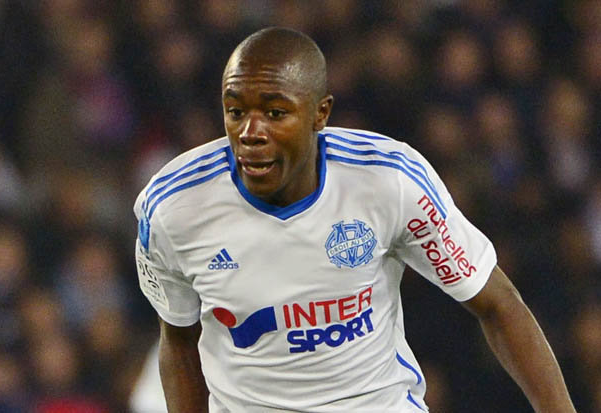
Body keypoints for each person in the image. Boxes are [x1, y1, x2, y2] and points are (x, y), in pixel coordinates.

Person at [133, 27, 576, 412]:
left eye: (275, 113)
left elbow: (497, 304)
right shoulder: (173, 210)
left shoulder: (389, 181)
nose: (250, 133)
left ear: (320, 113)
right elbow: (179, 339)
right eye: (235, 112)